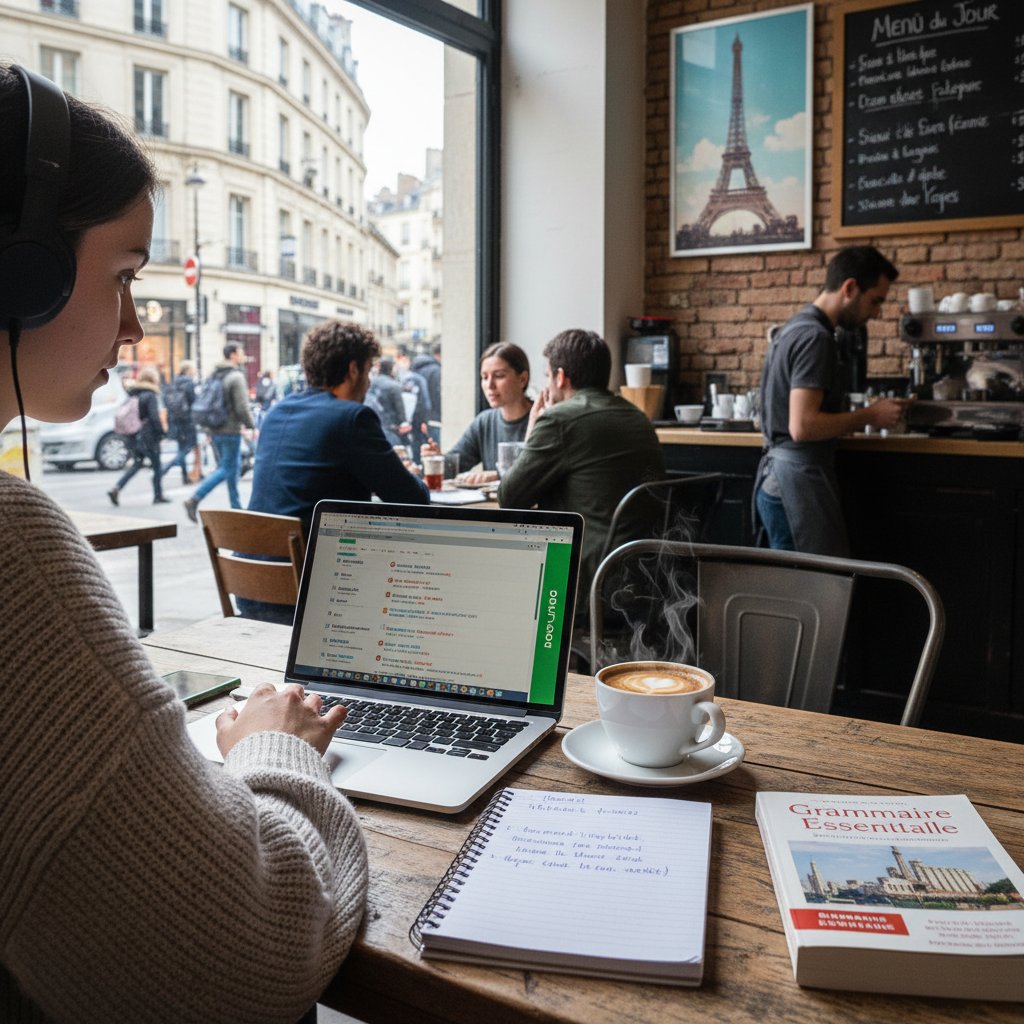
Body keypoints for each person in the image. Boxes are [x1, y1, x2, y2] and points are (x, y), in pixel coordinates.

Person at [0, 64, 366, 1022]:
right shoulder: (11, 546)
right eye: (123, 276)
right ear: (22, 273)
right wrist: (275, 750)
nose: (132, 326)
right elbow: (253, 959)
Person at [243, 320, 429, 622]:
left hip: (251, 587)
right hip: (316, 596)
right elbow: (414, 501)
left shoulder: (278, 412)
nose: (368, 382)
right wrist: (407, 471)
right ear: (353, 370)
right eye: (368, 371)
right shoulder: (353, 418)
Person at [754, 246, 912, 556]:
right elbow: (803, 426)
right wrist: (870, 415)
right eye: (875, 301)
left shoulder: (794, 328)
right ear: (849, 288)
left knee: (799, 583)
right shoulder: (815, 338)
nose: (876, 313)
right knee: (812, 584)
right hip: (794, 484)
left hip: (781, 479)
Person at [497, 329, 665, 600]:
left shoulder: (559, 420)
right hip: (644, 570)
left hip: (590, 576)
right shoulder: (637, 416)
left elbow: (509, 498)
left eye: (547, 376)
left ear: (560, 377)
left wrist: (533, 428)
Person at [423, 342, 533, 486]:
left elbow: (538, 474)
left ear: (522, 379)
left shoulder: (542, 420)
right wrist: (436, 459)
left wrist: (498, 476)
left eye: (499, 376)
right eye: (484, 377)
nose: (490, 385)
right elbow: (456, 464)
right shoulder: (484, 421)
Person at [183, 342, 255, 522]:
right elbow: (242, 406)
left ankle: (236, 506)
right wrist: (251, 425)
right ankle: (195, 498)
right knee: (227, 468)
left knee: (231, 468)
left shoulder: (214, 373)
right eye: (240, 352)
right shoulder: (236, 376)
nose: (243, 355)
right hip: (230, 429)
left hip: (214, 428)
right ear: (232, 355)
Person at [107, 366, 168, 505]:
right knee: (157, 466)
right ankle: (158, 495)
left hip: (134, 435)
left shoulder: (133, 394)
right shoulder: (150, 395)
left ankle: (117, 487)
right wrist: (162, 433)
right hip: (148, 436)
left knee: (137, 464)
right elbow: (154, 417)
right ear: (154, 379)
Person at [159, 358, 198, 486]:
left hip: (175, 420)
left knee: (182, 447)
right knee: (187, 448)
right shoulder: (189, 383)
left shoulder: (174, 382)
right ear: (188, 370)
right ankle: (163, 470)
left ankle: (185, 476)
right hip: (188, 420)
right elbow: (194, 402)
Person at [411, 342, 442, 443]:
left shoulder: (417, 369)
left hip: (416, 418)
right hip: (433, 419)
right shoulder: (437, 371)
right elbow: (437, 397)